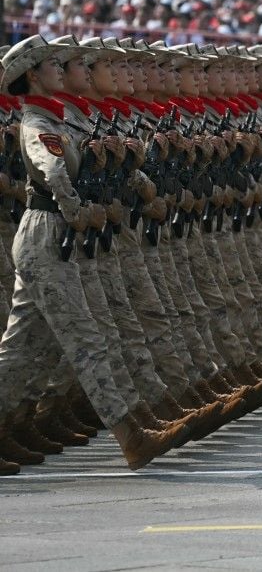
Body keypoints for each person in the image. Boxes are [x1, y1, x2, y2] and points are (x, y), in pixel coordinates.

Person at [0, 36, 188, 473]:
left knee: (29, 347)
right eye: (53, 66)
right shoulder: (37, 123)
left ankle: (12, 428)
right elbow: (51, 170)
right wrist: (77, 209)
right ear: (33, 76)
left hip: (57, 234)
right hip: (48, 230)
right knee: (85, 338)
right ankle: (131, 434)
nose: (63, 72)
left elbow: (88, 166)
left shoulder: (61, 120)